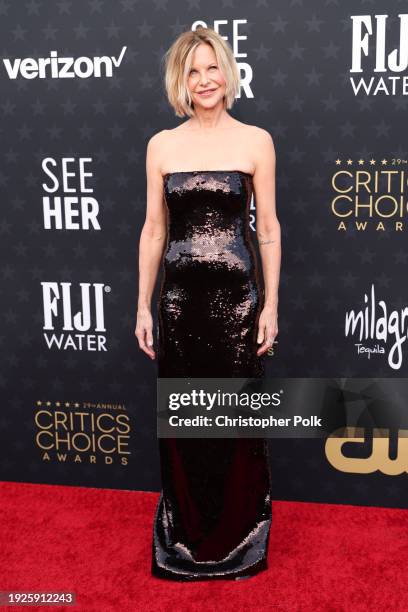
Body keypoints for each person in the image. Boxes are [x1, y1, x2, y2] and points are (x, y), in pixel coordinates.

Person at [135, 25, 281, 581]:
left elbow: (266, 229)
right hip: (178, 307)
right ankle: (185, 541)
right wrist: (143, 306)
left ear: (227, 71)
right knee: (185, 424)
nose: (204, 80)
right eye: (192, 71)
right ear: (182, 81)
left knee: (236, 424)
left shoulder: (256, 141)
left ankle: (240, 542)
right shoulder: (162, 146)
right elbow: (153, 231)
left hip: (238, 306)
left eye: (211, 67)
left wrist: (270, 306)